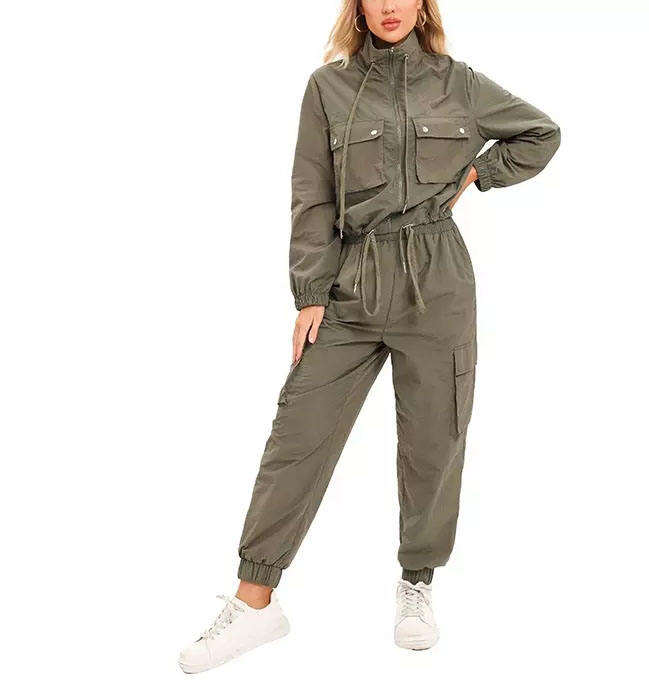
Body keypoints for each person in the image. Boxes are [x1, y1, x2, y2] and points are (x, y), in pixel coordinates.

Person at [178, 0, 560, 672]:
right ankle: (255, 603)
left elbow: (540, 133)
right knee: (297, 438)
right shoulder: (327, 87)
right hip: (351, 281)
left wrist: (479, 173)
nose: (389, 6)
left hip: (437, 278)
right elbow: (312, 194)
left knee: (434, 438)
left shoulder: (458, 82)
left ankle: (417, 584)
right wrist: (309, 294)